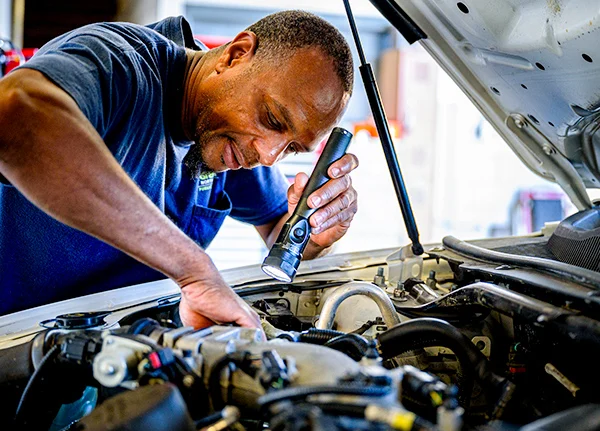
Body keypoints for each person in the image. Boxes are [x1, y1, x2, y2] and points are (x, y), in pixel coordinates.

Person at [0, 11, 358, 330]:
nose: (267, 155)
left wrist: (313, 235)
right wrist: (194, 270)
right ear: (235, 56)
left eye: (292, 148)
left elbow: (279, 227)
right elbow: (15, 116)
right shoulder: (119, 63)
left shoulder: (233, 137)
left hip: (114, 353)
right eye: (273, 119)